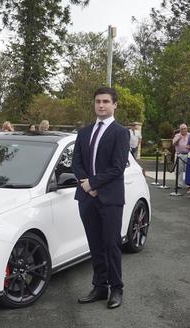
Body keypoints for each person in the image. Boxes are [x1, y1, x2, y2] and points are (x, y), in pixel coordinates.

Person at [71, 86, 129, 309]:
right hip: (86, 198)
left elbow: (117, 168)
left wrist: (93, 183)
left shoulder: (120, 133)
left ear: (114, 105)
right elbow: (76, 163)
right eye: (98, 101)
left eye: (106, 101)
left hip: (110, 198)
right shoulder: (84, 132)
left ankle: (116, 289)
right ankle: (99, 286)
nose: (101, 105)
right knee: (94, 244)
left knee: (111, 244)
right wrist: (86, 184)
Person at [172, 124, 190, 190]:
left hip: (188, 154)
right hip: (179, 154)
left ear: (187, 129)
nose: (183, 130)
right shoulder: (177, 135)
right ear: (180, 130)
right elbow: (173, 144)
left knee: (188, 170)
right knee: (179, 170)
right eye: (182, 129)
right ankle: (179, 184)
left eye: (184, 128)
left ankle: (188, 183)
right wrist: (178, 140)